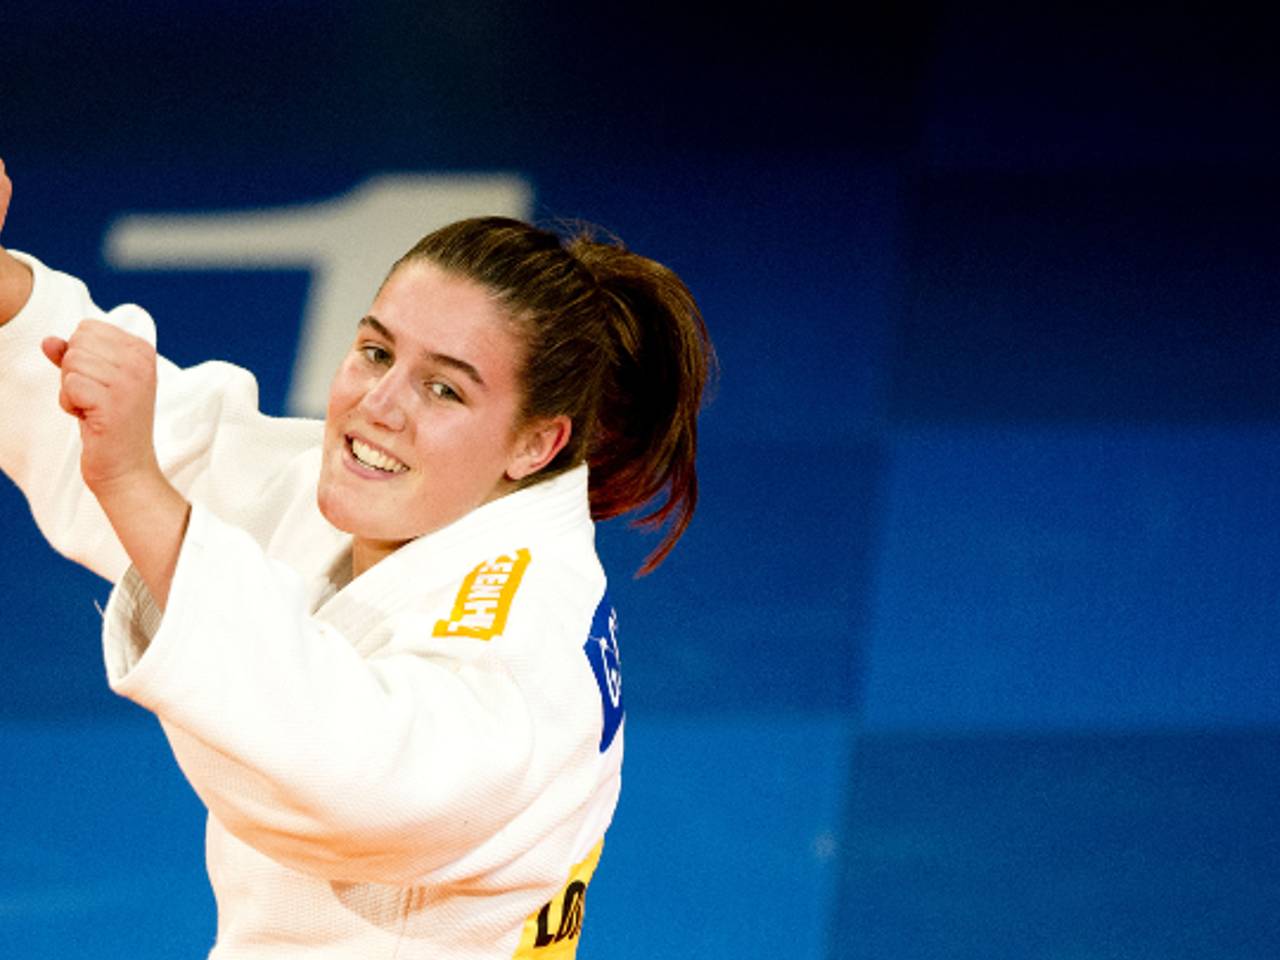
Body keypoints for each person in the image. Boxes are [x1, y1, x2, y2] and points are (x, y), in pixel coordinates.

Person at [0, 158, 713, 959]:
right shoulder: (405, 501)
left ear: (535, 443)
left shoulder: (528, 633)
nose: (380, 406)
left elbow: (361, 773)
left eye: (444, 390)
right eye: (377, 352)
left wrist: (134, 485)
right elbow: (186, 447)